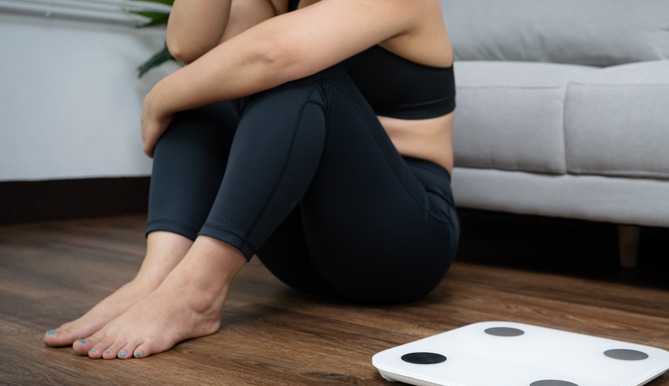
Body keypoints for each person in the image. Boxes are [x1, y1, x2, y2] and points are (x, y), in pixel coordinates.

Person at [44, 0, 459, 360]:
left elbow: (274, 55)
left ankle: (197, 294)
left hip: (401, 244)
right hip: (302, 258)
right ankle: (157, 278)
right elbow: (189, 45)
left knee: (296, 77)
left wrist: (159, 97)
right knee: (209, 84)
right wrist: (179, 91)